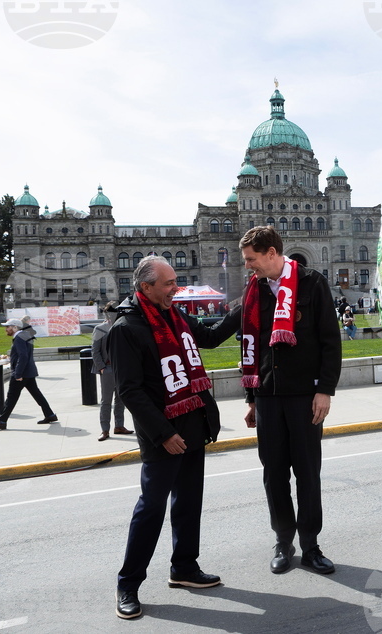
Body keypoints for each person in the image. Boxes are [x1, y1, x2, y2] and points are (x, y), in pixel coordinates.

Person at [108, 255, 240, 620]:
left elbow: (211, 338)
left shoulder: (176, 315)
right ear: (145, 287)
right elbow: (130, 392)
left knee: (188, 503)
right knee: (150, 510)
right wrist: (164, 434)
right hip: (161, 434)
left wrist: (245, 306)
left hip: (192, 425)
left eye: (175, 281)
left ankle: (184, 567)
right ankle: (128, 584)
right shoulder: (126, 328)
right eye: (168, 283)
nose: (175, 288)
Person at [238, 226, 341, 575]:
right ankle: (283, 541)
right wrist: (252, 398)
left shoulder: (312, 283)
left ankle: (311, 545)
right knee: (274, 474)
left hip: (304, 396)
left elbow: (330, 340)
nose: (248, 267)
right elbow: (248, 345)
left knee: (308, 473)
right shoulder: (254, 292)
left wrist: (325, 390)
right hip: (267, 397)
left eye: (252, 259)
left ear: (271, 253)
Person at [0, 317, 58, 430]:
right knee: (37, 394)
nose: (6, 329)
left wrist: (18, 374)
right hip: (29, 371)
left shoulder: (19, 338)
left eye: (8, 327)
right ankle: (50, 415)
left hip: (22, 373)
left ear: (15, 327)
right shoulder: (25, 336)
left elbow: (23, 356)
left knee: (11, 397)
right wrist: (10, 359)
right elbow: (22, 355)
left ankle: (2, 421)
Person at [91, 301, 133, 441]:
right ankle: (105, 429)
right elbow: (95, 351)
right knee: (106, 401)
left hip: (120, 368)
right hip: (108, 368)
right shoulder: (100, 329)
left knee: (120, 399)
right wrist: (102, 367)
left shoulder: (121, 327)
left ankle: (119, 426)